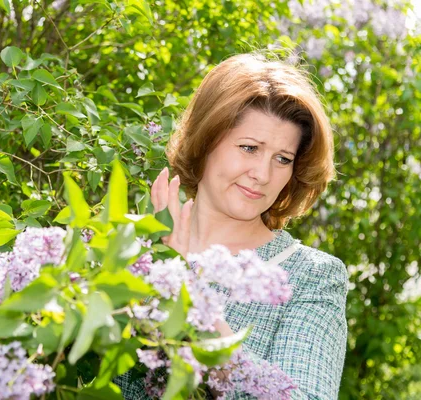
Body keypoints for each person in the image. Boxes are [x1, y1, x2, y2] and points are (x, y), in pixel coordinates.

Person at [115, 53, 349, 399]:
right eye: (249, 148)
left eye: (282, 159)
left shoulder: (310, 277)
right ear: (206, 140)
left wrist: (191, 299)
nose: (263, 174)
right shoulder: (128, 246)